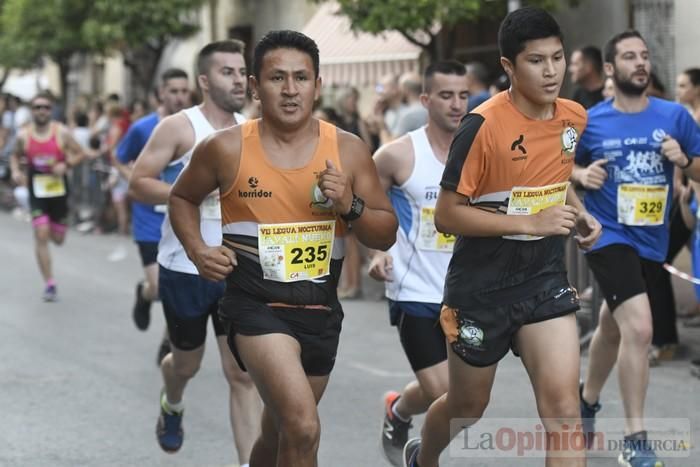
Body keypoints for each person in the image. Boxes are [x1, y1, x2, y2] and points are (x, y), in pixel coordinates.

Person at [168, 30, 398, 467]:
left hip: (319, 310)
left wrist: (348, 203)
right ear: (254, 85)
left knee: (278, 433)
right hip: (255, 306)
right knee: (303, 426)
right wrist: (198, 250)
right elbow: (182, 198)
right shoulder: (225, 147)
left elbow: (384, 233)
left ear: (318, 83)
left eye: (301, 78)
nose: (290, 90)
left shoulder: (348, 150)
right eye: (277, 78)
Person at [403, 7, 600, 467]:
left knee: (564, 413)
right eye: (536, 60)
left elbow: (552, 175)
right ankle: (424, 459)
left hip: (544, 280)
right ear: (509, 66)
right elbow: (448, 215)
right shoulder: (483, 126)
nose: (551, 71)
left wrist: (580, 212)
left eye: (558, 57)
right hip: (480, 288)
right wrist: (530, 223)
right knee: (467, 408)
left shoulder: (572, 117)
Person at [128, 40, 261, 465]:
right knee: (185, 364)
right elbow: (139, 182)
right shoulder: (178, 127)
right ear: (204, 80)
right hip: (184, 266)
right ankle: (173, 401)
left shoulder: (252, 130)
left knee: (241, 373)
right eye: (228, 72)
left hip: (236, 269)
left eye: (242, 72)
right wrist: (188, 194)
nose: (238, 80)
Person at [573, 30, 700, 467]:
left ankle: (585, 402)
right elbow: (554, 163)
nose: (640, 62)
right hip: (607, 234)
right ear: (610, 69)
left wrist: (683, 160)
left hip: (651, 237)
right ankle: (634, 439)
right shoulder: (591, 120)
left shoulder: (676, 117)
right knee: (641, 328)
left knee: (614, 320)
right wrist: (580, 176)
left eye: (644, 56)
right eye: (629, 56)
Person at [369, 60, 468, 466]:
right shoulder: (396, 155)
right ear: (426, 99)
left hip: (466, 291)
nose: (457, 104)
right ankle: (423, 457)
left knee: (462, 402)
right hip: (414, 291)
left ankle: (398, 409)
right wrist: (377, 252)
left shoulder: (481, 152)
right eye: (446, 95)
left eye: (464, 95)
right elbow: (369, 211)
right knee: (446, 392)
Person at [115, 68, 190, 370]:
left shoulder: (194, 127)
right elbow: (119, 157)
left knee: (178, 285)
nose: (179, 97)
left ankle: (167, 341)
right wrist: (134, 180)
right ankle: (144, 294)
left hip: (182, 217)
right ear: (161, 93)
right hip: (149, 218)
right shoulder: (143, 128)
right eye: (173, 91)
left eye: (184, 91)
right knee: (159, 287)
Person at [9, 91, 86, 301]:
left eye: (46, 107)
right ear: (32, 111)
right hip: (37, 191)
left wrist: (67, 164)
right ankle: (50, 284)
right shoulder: (24, 135)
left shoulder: (61, 132)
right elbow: (15, 157)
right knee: (41, 233)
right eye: (37, 107)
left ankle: (54, 227)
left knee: (58, 239)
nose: (42, 111)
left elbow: (81, 153)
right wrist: (16, 171)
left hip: (59, 191)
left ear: (51, 111)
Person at [395, 71, 428, 136]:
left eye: (399, 88)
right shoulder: (429, 108)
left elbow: (393, 144)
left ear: (405, 90)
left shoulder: (407, 115)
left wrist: (381, 127)